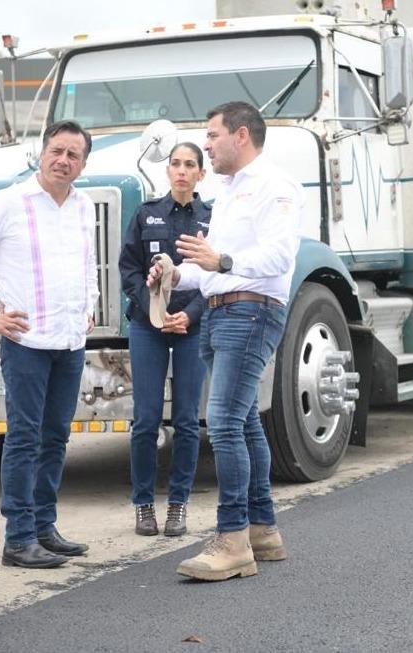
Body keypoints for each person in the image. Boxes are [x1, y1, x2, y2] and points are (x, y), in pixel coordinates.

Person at [147, 101, 302, 581]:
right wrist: (176, 273)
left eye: (212, 136)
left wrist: (221, 263)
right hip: (224, 310)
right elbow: (214, 268)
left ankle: (231, 539)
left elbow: (277, 256)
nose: (206, 145)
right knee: (245, 423)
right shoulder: (231, 191)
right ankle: (262, 531)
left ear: (240, 135)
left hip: (251, 310)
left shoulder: (275, 187)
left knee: (225, 423)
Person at [0, 120, 97, 569]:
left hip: (70, 341)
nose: (63, 160)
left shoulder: (82, 205)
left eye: (73, 155)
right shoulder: (9, 202)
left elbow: (87, 262)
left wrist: (89, 305)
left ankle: (44, 527)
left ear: (82, 163)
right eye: (57, 151)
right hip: (25, 342)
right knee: (23, 438)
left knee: (56, 437)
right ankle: (18, 538)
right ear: (42, 153)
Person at [119, 143, 211, 537]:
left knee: (188, 421)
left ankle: (178, 505)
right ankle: (143, 505)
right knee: (146, 419)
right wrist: (155, 311)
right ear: (167, 170)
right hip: (147, 326)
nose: (181, 171)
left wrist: (187, 315)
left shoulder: (212, 219)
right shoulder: (146, 214)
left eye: (190, 165)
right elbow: (129, 270)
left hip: (192, 326)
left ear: (200, 174)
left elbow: (217, 277)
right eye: (175, 164)